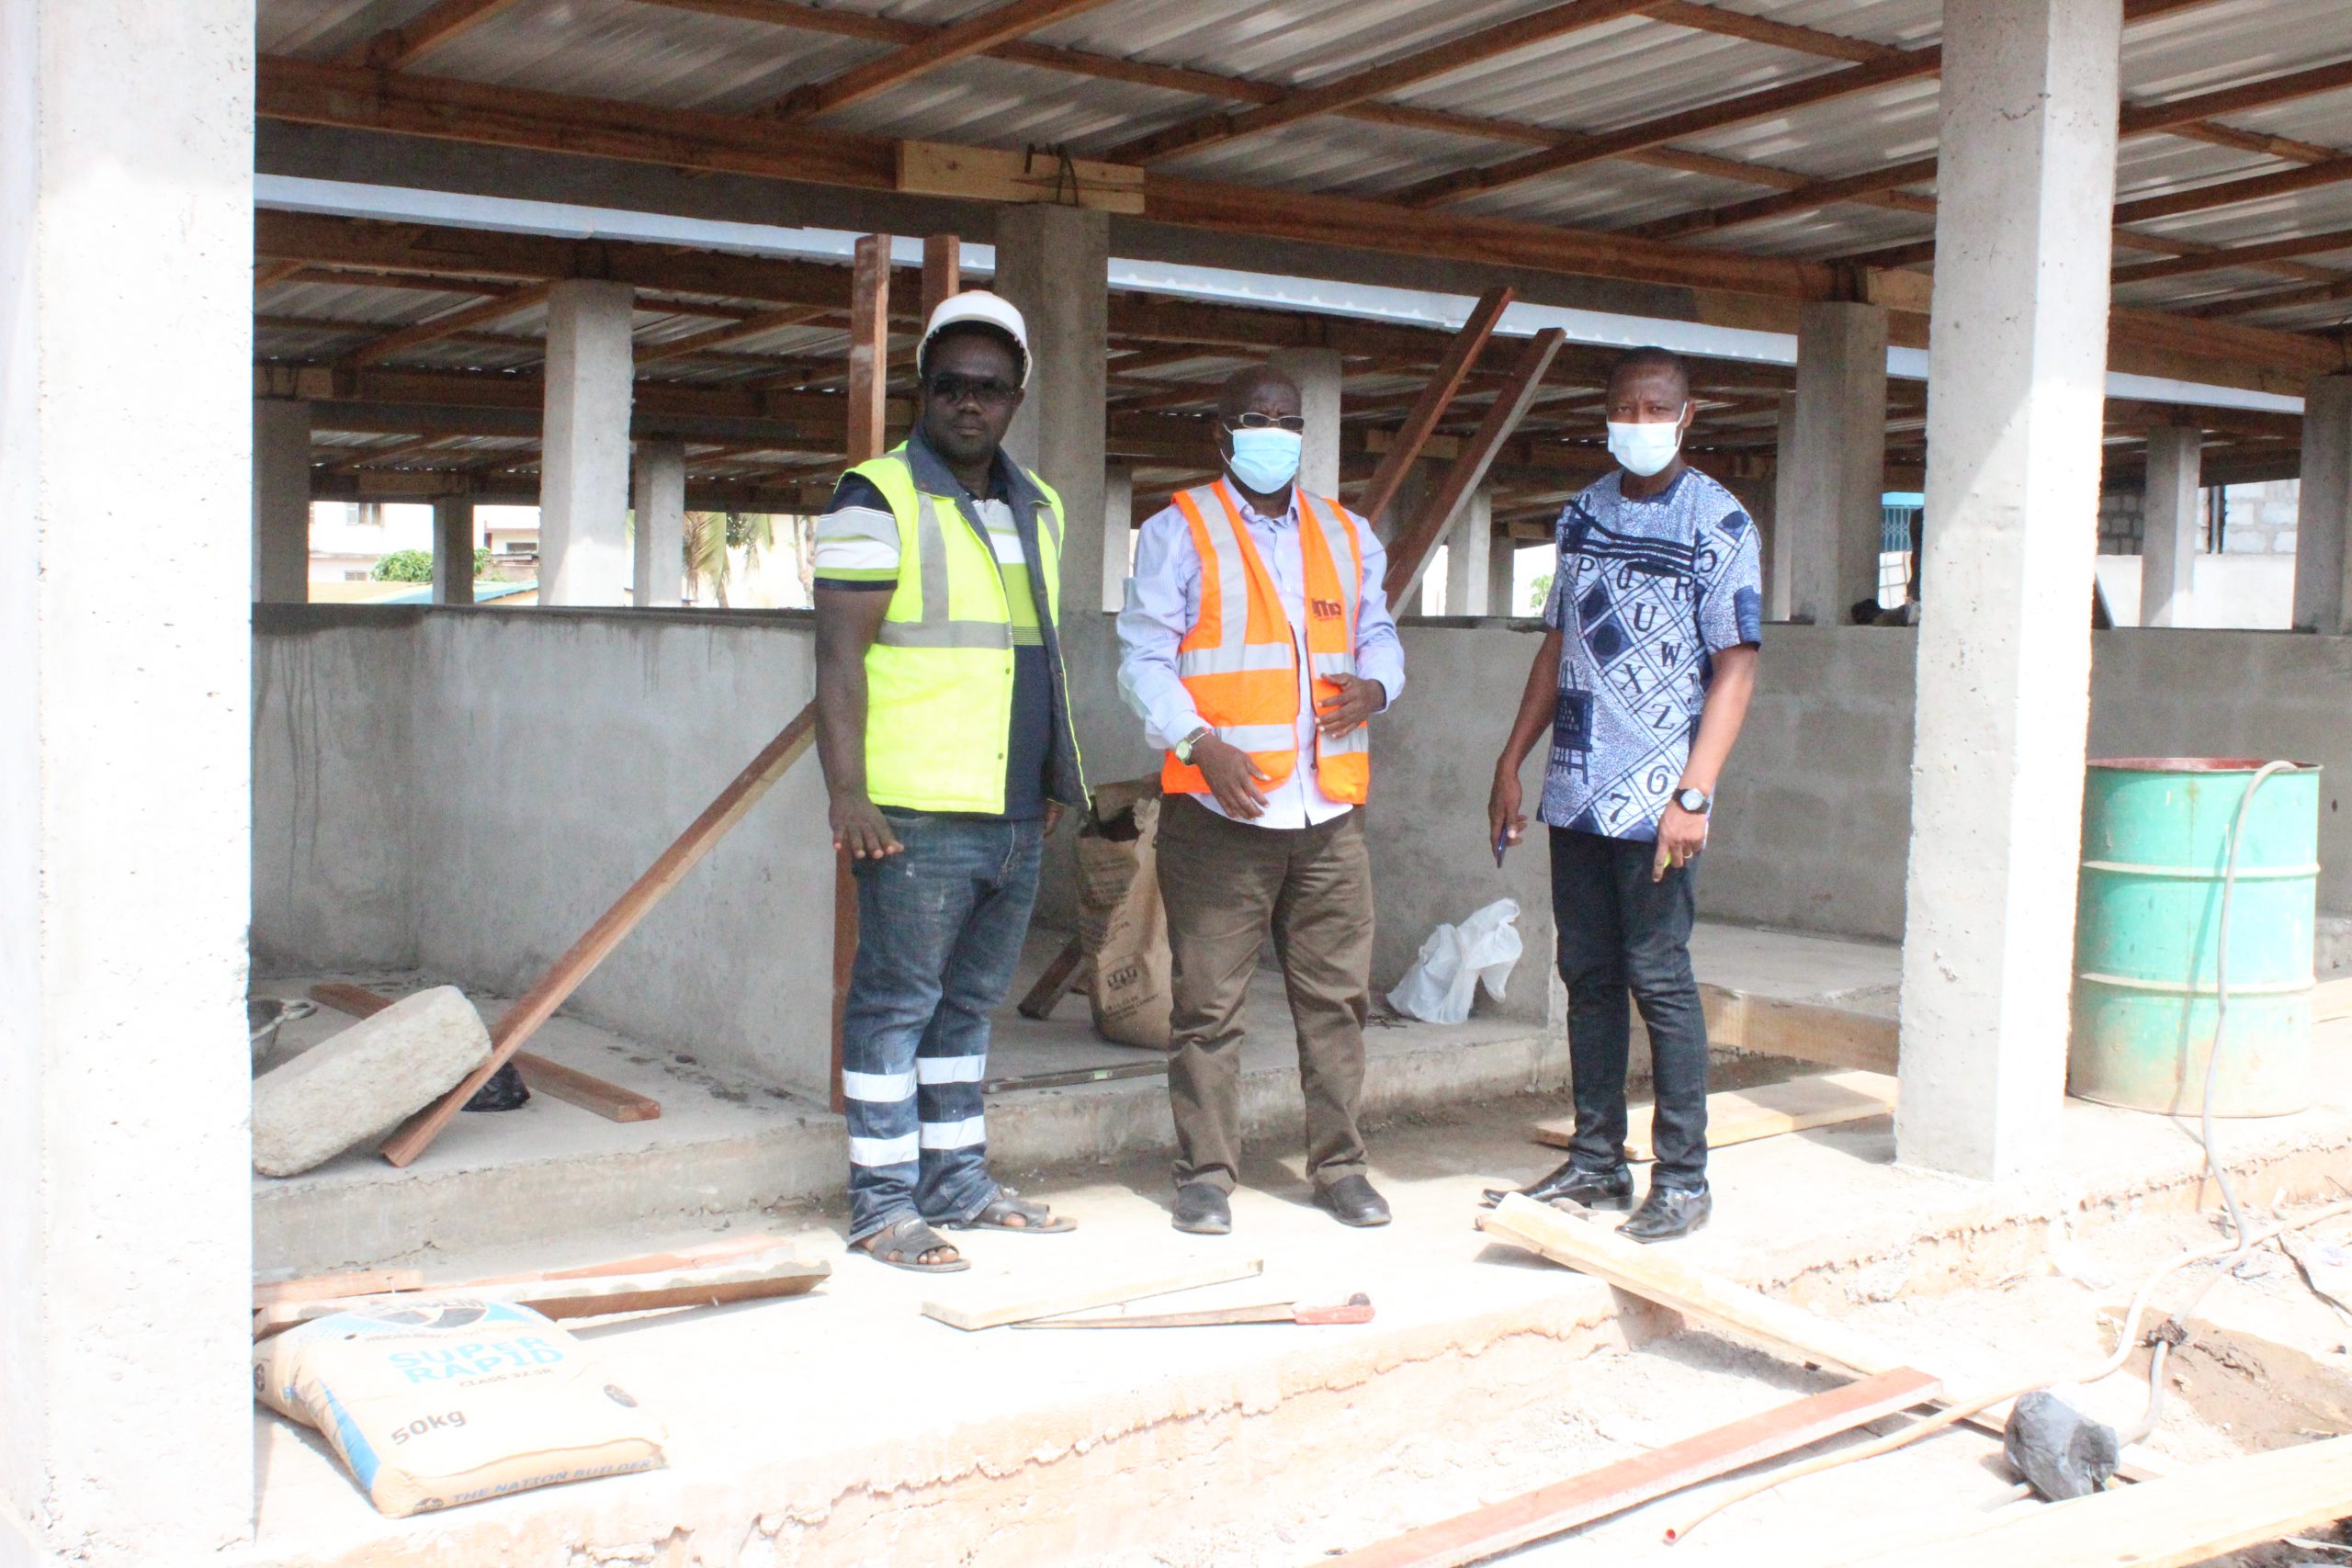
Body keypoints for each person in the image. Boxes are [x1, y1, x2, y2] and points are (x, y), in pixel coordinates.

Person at [813, 291, 1086, 1272]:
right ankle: (882, 1206)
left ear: (1016, 398)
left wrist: (1053, 775)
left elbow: (1036, 654)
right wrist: (848, 793)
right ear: (924, 391)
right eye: (949, 386)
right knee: (894, 1004)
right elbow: (838, 657)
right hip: (915, 810)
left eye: (989, 388)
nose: (969, 404)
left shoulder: (1040, 506)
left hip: (1014, 806)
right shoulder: (873, 496)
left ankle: (956, 1182)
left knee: (967, 1009)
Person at [1116, 365, 1406, 1236]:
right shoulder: (1179, 531)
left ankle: (1341, 1166)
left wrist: (1378, 688)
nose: (1274, 432)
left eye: (1288, 419)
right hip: (1222, 816)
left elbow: (1378, 631)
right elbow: (1141, 658)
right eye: (1256, 418)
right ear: (1222, 434)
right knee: (1207, 1007)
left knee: (1337, 1002)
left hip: (1328, 815)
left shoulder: (1346, 533)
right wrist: (1199, 745)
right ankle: (1206, 1174)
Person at [1482, 345, 1761, 1244]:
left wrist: (1697, 791)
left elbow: (1735, 669)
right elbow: (1555, 645)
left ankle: (1682, 1178)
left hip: (1659, 800)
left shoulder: (1717, 524)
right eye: (1624, 410)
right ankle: (1596, 1158)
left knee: (1659, 977)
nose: (1637, 425)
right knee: (1587, 975)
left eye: (1655, 410)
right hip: (1577, 787)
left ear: (1687, 417)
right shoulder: (1580, 515)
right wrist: (1511, 758)